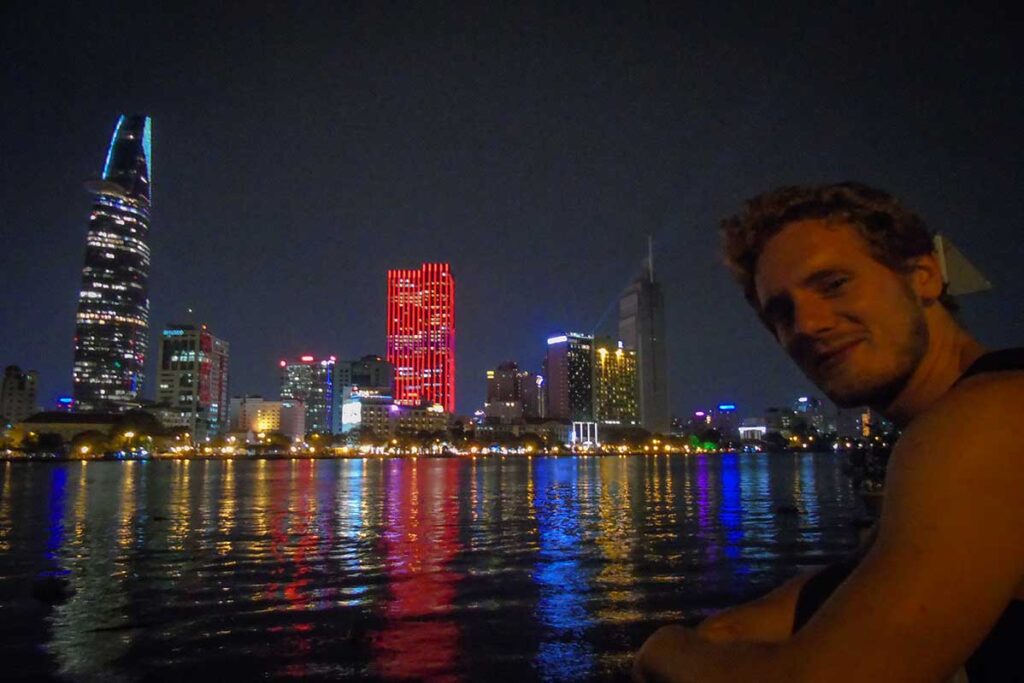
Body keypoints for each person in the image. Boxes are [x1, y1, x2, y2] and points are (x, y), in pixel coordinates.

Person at [633, 182, 1024, 682]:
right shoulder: (956, 428)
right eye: (782, 312)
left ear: (924, 277)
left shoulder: (987, 419)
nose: (808, 324)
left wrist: (663, 649)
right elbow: (826, 594)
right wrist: (716, 637)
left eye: (835, 284)